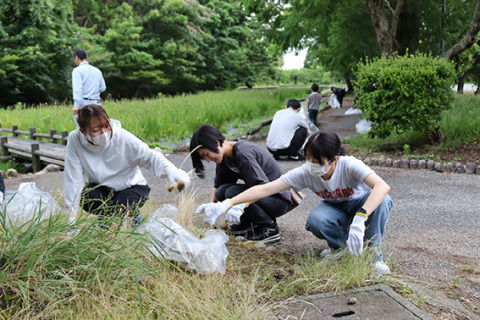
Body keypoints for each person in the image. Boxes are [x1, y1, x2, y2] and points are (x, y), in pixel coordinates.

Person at [195, 130, 393, 275]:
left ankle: (374, 257)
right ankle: (340, 249)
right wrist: (226, 204)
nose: (311, 164)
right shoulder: (306, 172)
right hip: (335, 207)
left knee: (383, 201)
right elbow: (265, 188)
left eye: (317, 161)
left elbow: (382, 187)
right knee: (316, 220)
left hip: (360, 203)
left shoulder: (349, 165)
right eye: (308, 158)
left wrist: (361, 216)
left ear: (333, 160)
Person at [63, 104, 191, 225]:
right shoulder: (75, 140)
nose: (104, 133)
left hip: (131, 187)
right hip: (102, 188)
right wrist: (71, 217)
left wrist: (170, 170)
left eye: (106, 126)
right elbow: (73, 179)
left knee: (121, 206)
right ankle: (116, 219)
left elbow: (149, 156)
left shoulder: (122, 137)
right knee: (86, 197)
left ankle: (122, 219)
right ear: (83, 132)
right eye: (96, 130)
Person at [190, 124, 292, 244]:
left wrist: (240, 205)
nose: (207, 160)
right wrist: (210, 208)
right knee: (221, 192)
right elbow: (218, 186)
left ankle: (269, 228)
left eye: (206, 154)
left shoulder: (243, 153)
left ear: (216, 143)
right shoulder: (224, 159)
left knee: (231, 192)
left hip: (277, 199)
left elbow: (262, 188)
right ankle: (248, 223)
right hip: (263, 196)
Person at [72, 49, 107, 127]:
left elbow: (78, 89)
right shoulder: (97, 71)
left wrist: (76, 105)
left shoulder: (77, 71)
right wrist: (93, 91)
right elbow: (103, 88)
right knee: (96, 130)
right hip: (97, 104)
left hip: (83, 104)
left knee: (82, 130)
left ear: (76, 57)